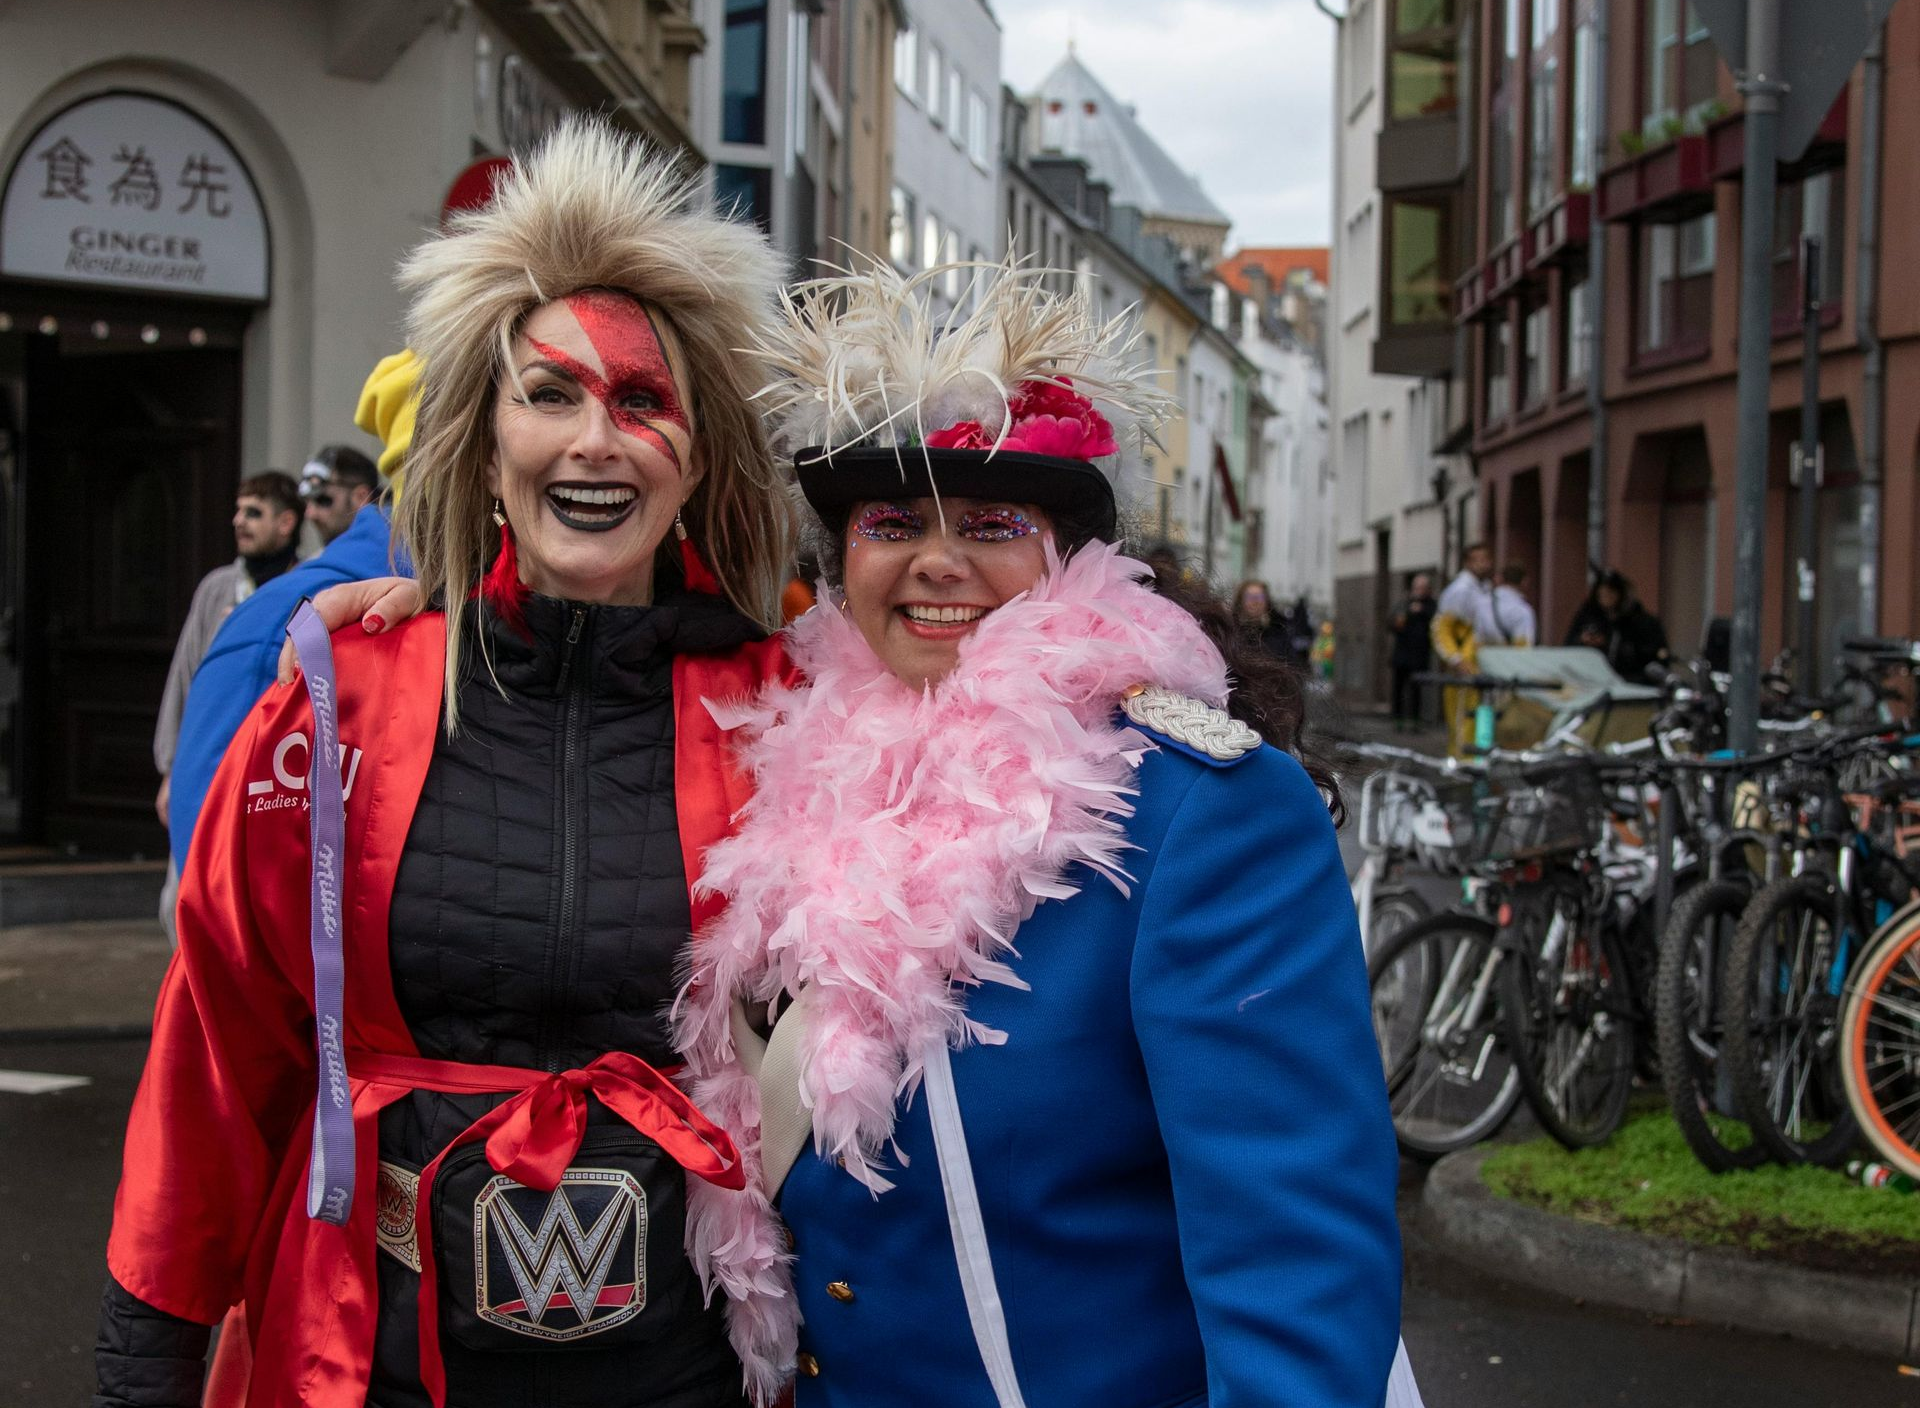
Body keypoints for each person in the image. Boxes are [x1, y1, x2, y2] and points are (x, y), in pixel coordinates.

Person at [97, 120, 796, 1408]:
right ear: (482, 441)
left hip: (689, 1370)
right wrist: (146, 1350)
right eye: (552, 394)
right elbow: (218, 1039)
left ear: (695, 459)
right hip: (383, 1356)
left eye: (644, 401)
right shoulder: (339, 696)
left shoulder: (782, 710)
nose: (598, 438)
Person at [670, 261, 1410, 1406]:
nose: (937, 560)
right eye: (893, 521)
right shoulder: (795, 773)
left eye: (992, 523)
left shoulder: (1202, 813)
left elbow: (1297, 1261)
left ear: (1070, 556)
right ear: (841, 560)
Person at [162, 354, 418, 878]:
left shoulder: (486, 602)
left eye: (323, 498)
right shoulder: (272, 617)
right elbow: (213, 849)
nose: (314, 512)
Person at [150, 471, 302, 936]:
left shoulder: (312, 584)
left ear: (286, 523)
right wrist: (172, 769)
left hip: (269, 772)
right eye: (238, 511)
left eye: (253, 512)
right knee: (182, 900)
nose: (239, 521)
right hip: (208, 764)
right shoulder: (216, 588)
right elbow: (186, 678)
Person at [1431, 541, 1497, 755]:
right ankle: (1460, 766)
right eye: (1478, 560)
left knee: (1478, 720)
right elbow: (1441, 629)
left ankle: (1474, 764)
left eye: (1486, 559)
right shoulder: (1460, 590)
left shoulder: (1484, 589)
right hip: (1466, 667)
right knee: (1463, 720)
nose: (1484, 564)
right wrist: (1456, 659)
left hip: (1480, 664)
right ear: (1468, 563)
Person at [1566, 568, 1671, 682]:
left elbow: (1654, 659)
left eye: (1611, 593)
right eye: (1602, 594)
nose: (1606, 598)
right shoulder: (1588, 617)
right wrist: (1582, 641)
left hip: (1632, 682)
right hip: (1591, 681)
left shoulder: (1641, 623)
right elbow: (1569, 646)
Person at [299, 442, 382, 545]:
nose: (310, 514)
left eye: (323, 500)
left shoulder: (394, 552)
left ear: (361, 497)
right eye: (307, 502)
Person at [1388, 571, 1436, 732]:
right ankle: (1398, 720)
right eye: (1417, 587)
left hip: (1419, 655)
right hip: (1402, 654)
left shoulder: (1431, 606)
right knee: (1399, 688)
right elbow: (1392, 624)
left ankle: (1415, 721)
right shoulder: (1404, 604)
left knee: (1416, 689)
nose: (1419, 591)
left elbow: (1436, 623)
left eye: (1422, 587)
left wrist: (1421, 612)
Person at [1233, 577, 1292, 657]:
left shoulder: (1279, 631)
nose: (1255, 602)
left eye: (1260, 597)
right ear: (1240, 601)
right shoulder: (1231, 632)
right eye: (1250, 597)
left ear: (1267, 601)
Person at [1494, 561, 1537, 649]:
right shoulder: (1522, 610)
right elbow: (1524, 647)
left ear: (1500, 578)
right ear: (1524, 581)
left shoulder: (1482, 602)